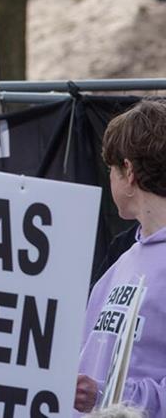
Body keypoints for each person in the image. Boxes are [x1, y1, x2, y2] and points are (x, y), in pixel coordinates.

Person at [74, 100, 166, 416]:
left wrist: (104, 395)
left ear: (128, 171)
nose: (110, 178)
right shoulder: (119, 265)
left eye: (110, 170)